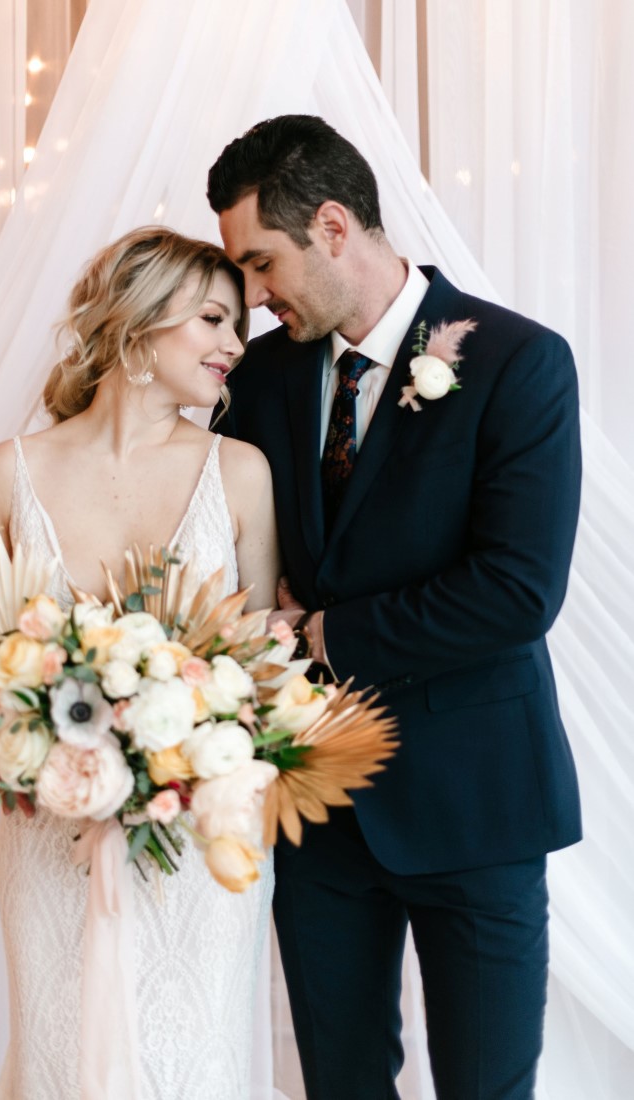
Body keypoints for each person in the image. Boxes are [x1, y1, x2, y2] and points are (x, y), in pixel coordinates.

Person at [207, 115, 582, 1099]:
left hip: (477, 803)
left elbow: (516, 591)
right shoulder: (261, 377)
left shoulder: (518, 362)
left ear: (332, 225)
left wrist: (324, 629)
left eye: (259, 264)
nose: (247, 297)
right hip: (319, 812)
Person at [0, 226, 280, 1100]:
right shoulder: (10, 472)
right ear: (138, 322)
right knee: (61, 1055)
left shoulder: (240, 472)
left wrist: (177, 741)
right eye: (213, 319)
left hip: (201, 832)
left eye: (237, 324)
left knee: (193, 1055)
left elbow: (257, 666)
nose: (234, 345)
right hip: (51, 825)